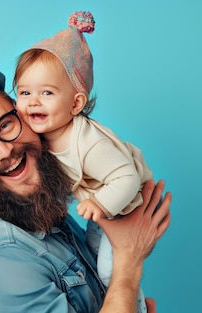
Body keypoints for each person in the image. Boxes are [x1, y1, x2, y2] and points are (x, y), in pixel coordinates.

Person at [0, 64, 171, 313]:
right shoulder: (0, 262)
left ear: (25, 114)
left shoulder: (35, 204)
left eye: (5, 125)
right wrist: (128, 260)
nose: (5, 151)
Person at [12, 12, 153, 313]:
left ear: (76, 103)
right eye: (24, 93)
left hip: (122, 205)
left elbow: (126, 178)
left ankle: (137, 307)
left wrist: (101, 205)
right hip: (100, 208)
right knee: (91, 259)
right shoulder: (46, 131)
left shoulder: (89, 144)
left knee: (108, 270)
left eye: (46, 93)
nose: (33, 101)